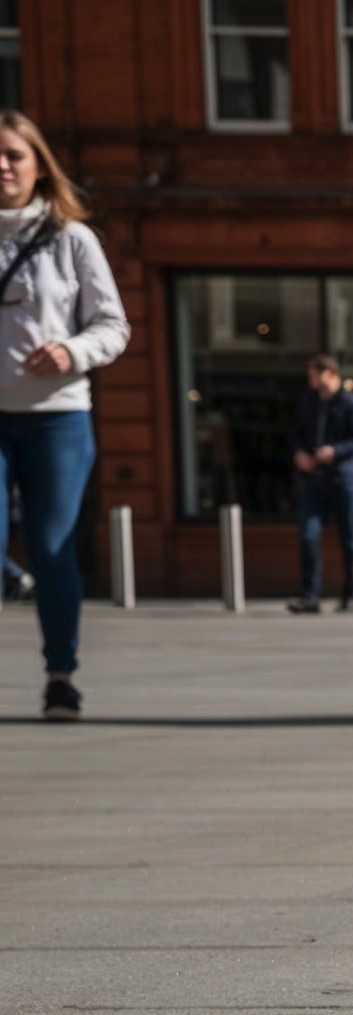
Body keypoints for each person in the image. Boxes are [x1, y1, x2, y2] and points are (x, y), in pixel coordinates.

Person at [0, 110, 129, 722]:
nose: (2, 166)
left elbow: (113, 326)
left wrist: (71, 351)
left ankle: (60, 675)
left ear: (38, 164)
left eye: (13, 155)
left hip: (58, 418)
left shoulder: (72, 238)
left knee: (53, 549)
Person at [286, 353, 353, 614]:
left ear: (330, 373)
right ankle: (310, 595)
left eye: (315, 373)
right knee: (309, 534)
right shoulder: (309, 402)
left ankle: (352, 594)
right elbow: (296, 434)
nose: (310, 379)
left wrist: (335, 451)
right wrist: (300, 453)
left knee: (349, 539)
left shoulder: (351, 403)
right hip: (315, 480)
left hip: (344, 480)